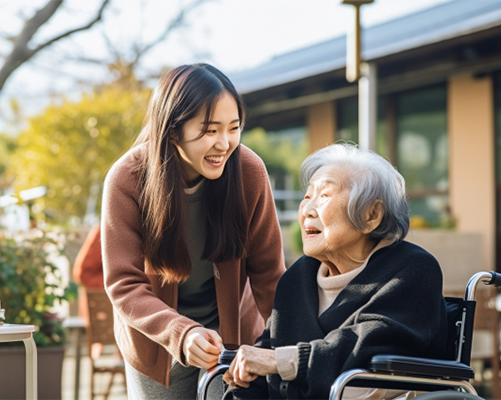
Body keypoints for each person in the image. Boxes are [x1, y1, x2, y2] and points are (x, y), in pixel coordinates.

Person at [100, 63, 286, 399]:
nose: (225, 143)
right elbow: (124, 284)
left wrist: (291, 351)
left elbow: (270, 276)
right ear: (173, 131)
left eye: (234, 128)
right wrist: (181, 333)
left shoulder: (248, 172)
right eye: (210, 131)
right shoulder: (126, 179)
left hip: (230, 340)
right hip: (157, 339)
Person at [223, 143, 447, 399]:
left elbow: (367, 344)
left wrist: (283, 361)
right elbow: (263, 359)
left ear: (371, 215)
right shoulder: (297, 278)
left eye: (325, 196)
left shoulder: (412, 270)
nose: (307, 210)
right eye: (307, 197)